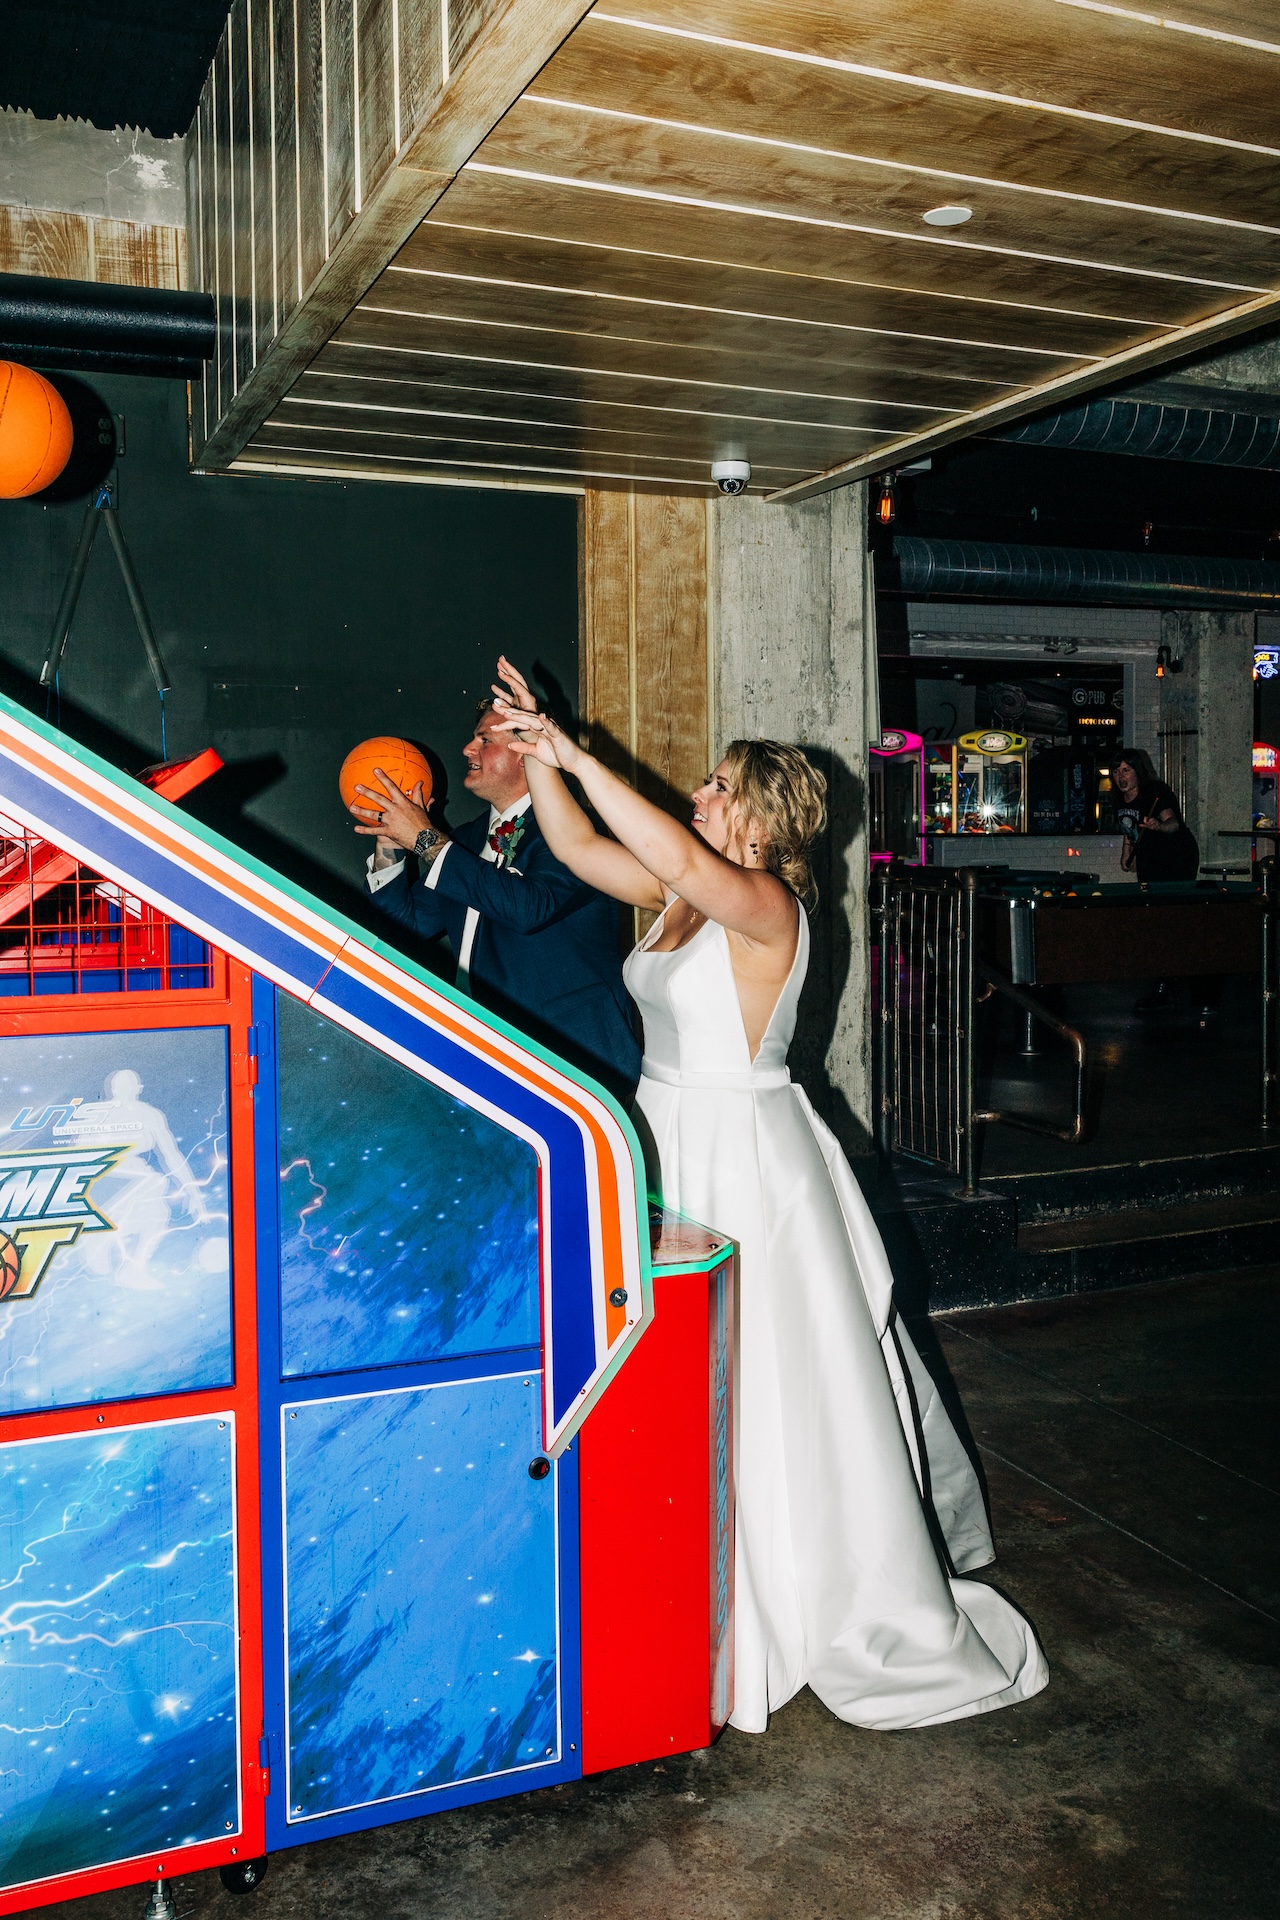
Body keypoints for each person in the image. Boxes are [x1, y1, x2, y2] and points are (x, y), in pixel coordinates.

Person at [491, 658, 1047, 1734]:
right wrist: (538, 757)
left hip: (746, 1156)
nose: (699, 793)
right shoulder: (679, 899)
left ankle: (791, 1589)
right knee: (680, 1363)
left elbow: (672, 852)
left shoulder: (765, 905)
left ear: (756, 817)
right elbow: (576, 849)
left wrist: (573, 750)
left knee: (767, 1378)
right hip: (668, 1137)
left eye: (716, 785)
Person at [350, 700, 641, 1103]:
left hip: (572, 1058)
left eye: (484, 740)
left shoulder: (579, 831)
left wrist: (425, 839)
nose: (467, 749)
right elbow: (407, 924)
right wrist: (390, 845)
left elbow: (527, 908)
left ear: (526, 753)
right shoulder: (465, 841)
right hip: (483, 1054)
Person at [1113, 748, 1199, 882]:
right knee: (1146, 890)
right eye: (1116, 771)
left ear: (1137, 771)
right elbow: (1129, 827)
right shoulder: (1119, 798)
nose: (1120, 776)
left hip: (1176, 852)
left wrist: (1159, 825)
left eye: (1126, 770)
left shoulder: (1155, 792)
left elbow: (1174, 824)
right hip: (1148, 853)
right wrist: (1126, 852)